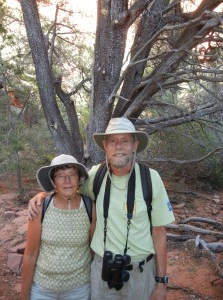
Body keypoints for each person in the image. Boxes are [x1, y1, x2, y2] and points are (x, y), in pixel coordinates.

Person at [28, 117, 175, 300]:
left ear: (135, 145)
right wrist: (43, 196)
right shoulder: (96, 176)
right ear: (105, 145)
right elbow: (68, 189)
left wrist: (161, 283)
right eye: (113, 141)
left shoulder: (150, 179)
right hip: (101, 272)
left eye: (125, 140)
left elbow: (159, 233)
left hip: (140, 274)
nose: (118, 146)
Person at [21, 154, 96, 300]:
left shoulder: (89, 207)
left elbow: (93, 251)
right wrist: (24, 295)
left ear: (79, 178)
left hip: (79, 289)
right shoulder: (41, 207)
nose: (67, 181)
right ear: (54, 181)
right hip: (43, 289)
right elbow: (30, 254)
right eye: (61, 175)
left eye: (72, 174)